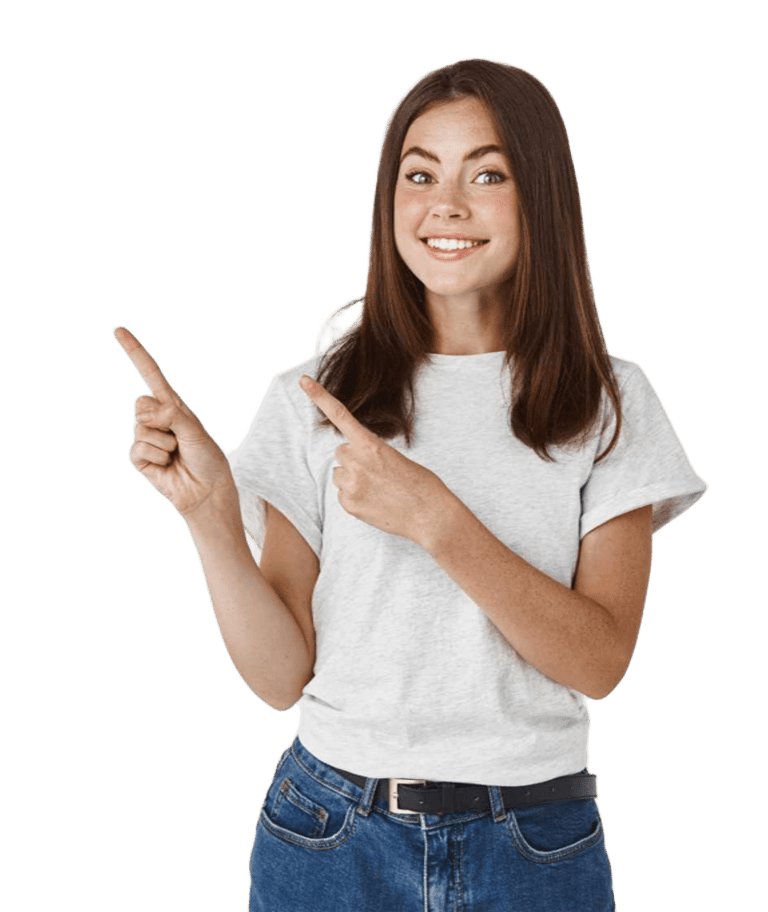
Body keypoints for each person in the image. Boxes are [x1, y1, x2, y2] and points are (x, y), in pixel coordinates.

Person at [113, 56, 709, 912]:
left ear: (540, 195)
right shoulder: (323, 388)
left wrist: (439, 522)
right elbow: (283, 677)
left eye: (488, 173)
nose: (447, 205)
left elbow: (600, 658)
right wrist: (208, 517)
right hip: (329, 833)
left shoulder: (608, 398)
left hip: (535, 843)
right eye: (419, 172)